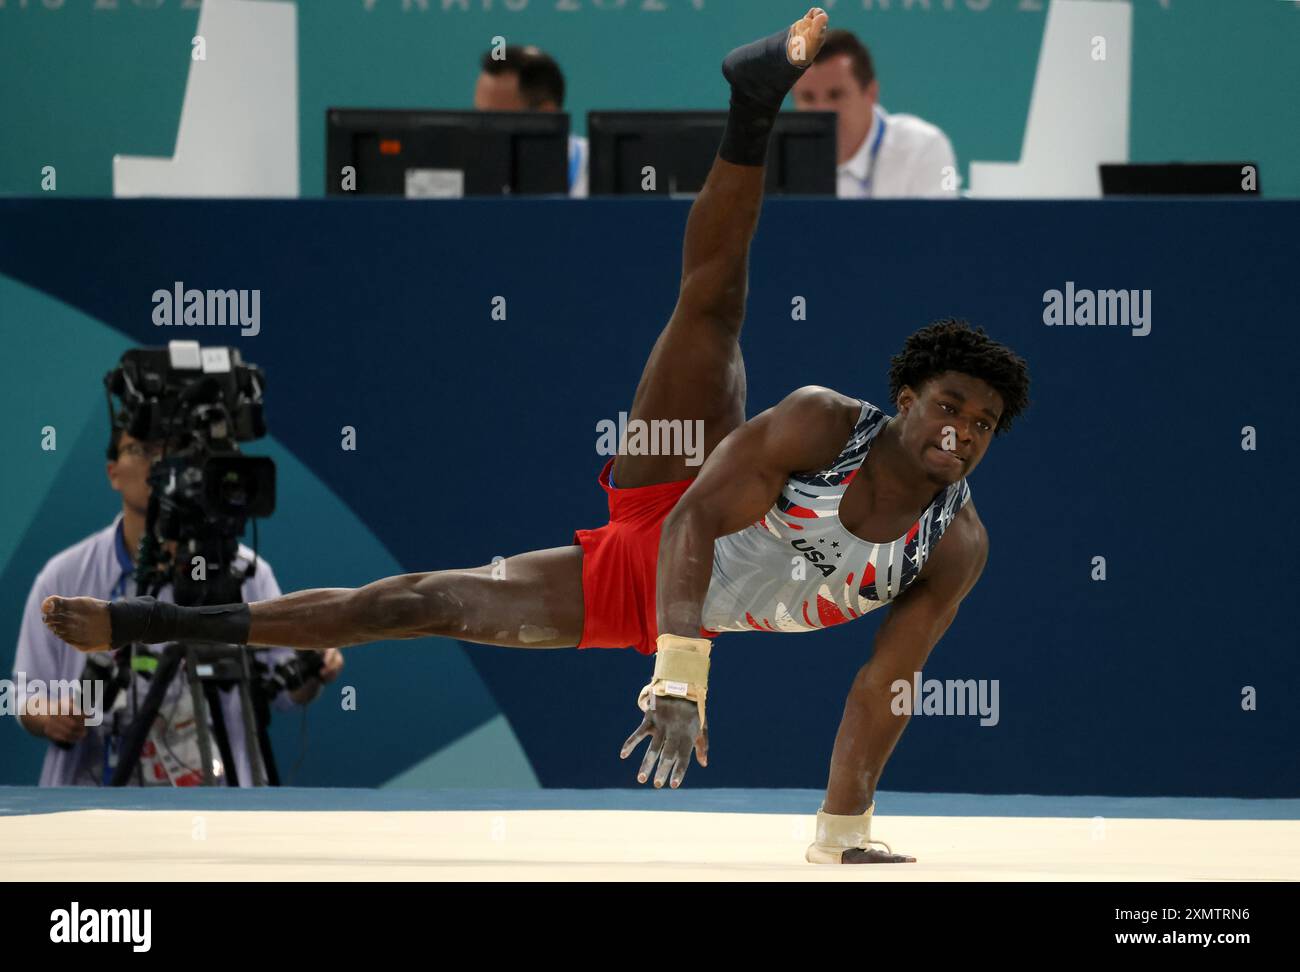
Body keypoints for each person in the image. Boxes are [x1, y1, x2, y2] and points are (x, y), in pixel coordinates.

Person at [42, 9, 1029, 862]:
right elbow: (688, 525)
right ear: (903, 397)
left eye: (981, 424)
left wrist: (842, 826)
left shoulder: (957, 543)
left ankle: (148, 624)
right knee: (709, 307)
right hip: (679, 514)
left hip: (643, 596)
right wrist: (679, 682)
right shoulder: (823, 421)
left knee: (416, 604)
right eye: (948, 406)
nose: (961, 433)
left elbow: (883, 683)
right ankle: (752, 100)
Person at [14, 424, 343, 786]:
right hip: (95, 799)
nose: (158, 461)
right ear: (113, 473)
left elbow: (286, 695)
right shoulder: (64, 577)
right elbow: (27, 693)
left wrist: (314, 667)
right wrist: (51, 717)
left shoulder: (245, 574)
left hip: (220, 799)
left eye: (171, 450)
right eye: (141, 449)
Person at [792, 29, 958, 198]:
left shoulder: (925, 147)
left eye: (836, 95)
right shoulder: (778, 158)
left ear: (871, 93)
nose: (821, 110)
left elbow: (940, 223)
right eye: (808, 97)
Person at [474, 44, 588, 198]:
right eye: (478, 116)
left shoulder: (598, 170)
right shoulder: (468, 177)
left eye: (494, 119)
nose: (481, 129)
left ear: (546, 115)